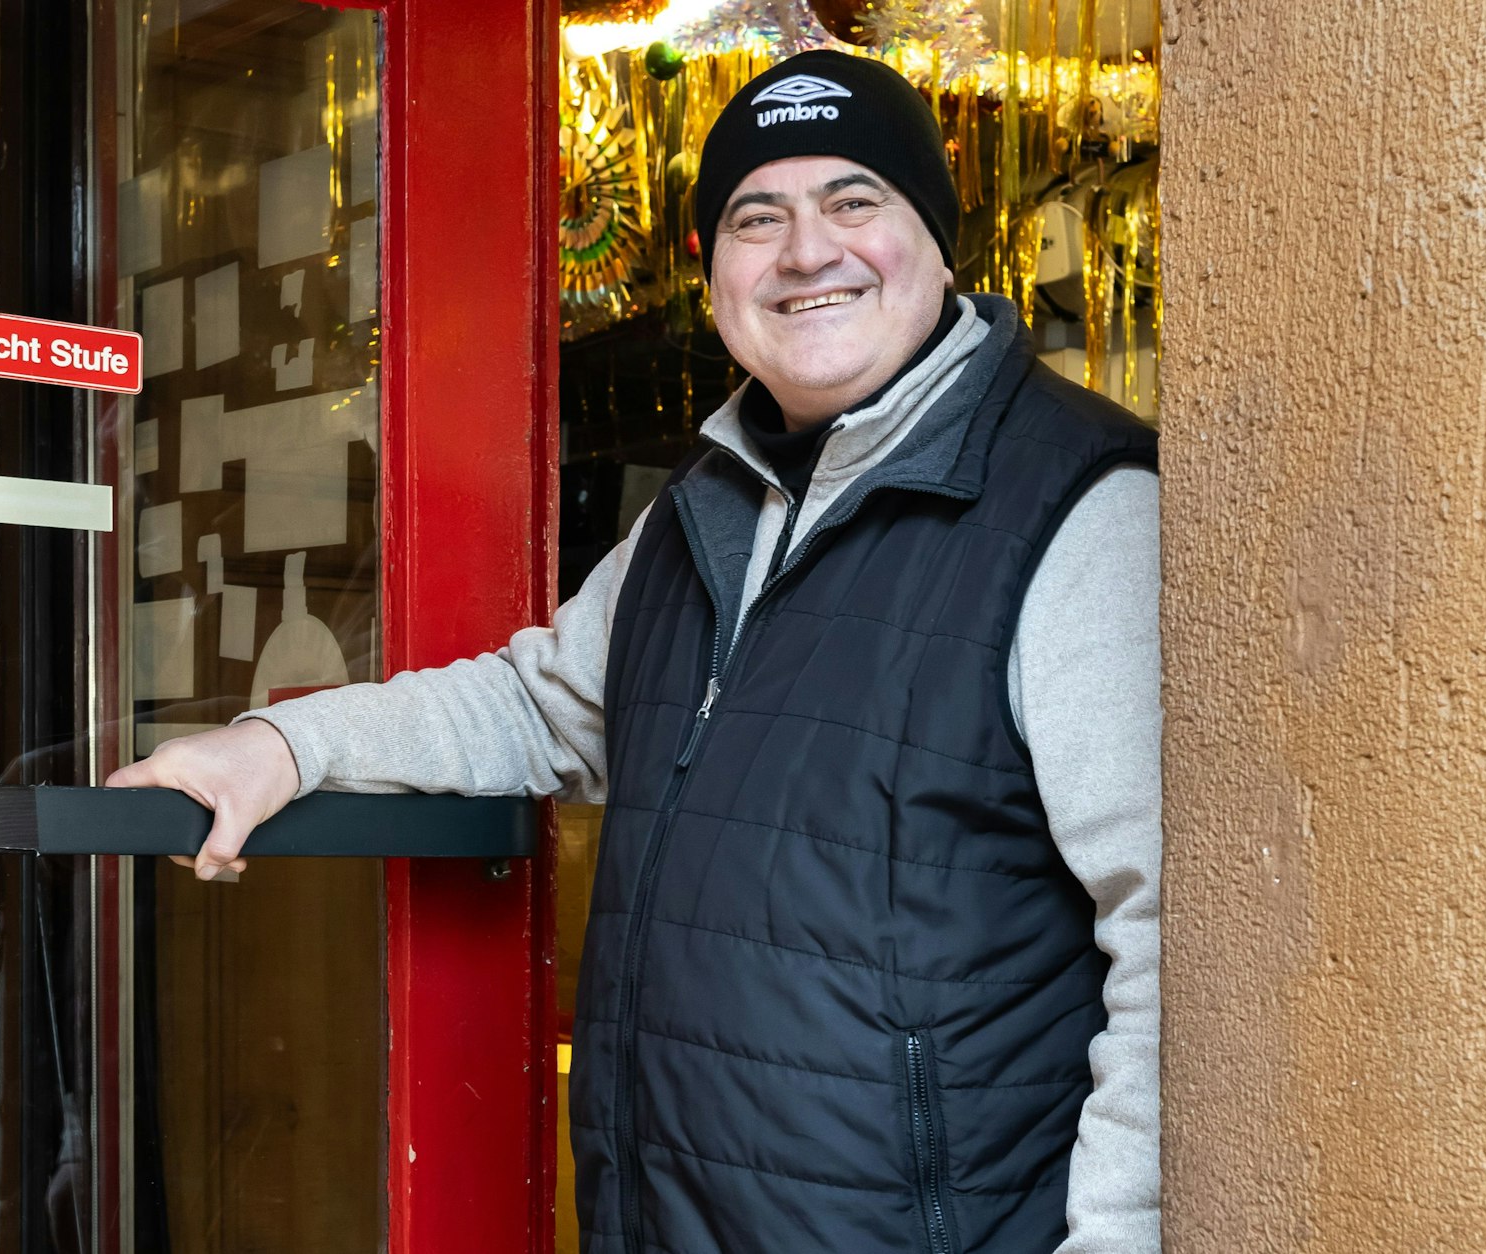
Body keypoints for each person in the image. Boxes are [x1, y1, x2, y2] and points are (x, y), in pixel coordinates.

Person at [110, 49, 1161, 1254]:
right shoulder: (705, 508)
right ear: (715, 270)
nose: (807, 251)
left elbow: (1167, 936)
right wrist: (281, 747)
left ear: (935, 239)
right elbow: (535, 705)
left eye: (854, 201)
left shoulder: (1076, 506)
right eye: (757, 218)